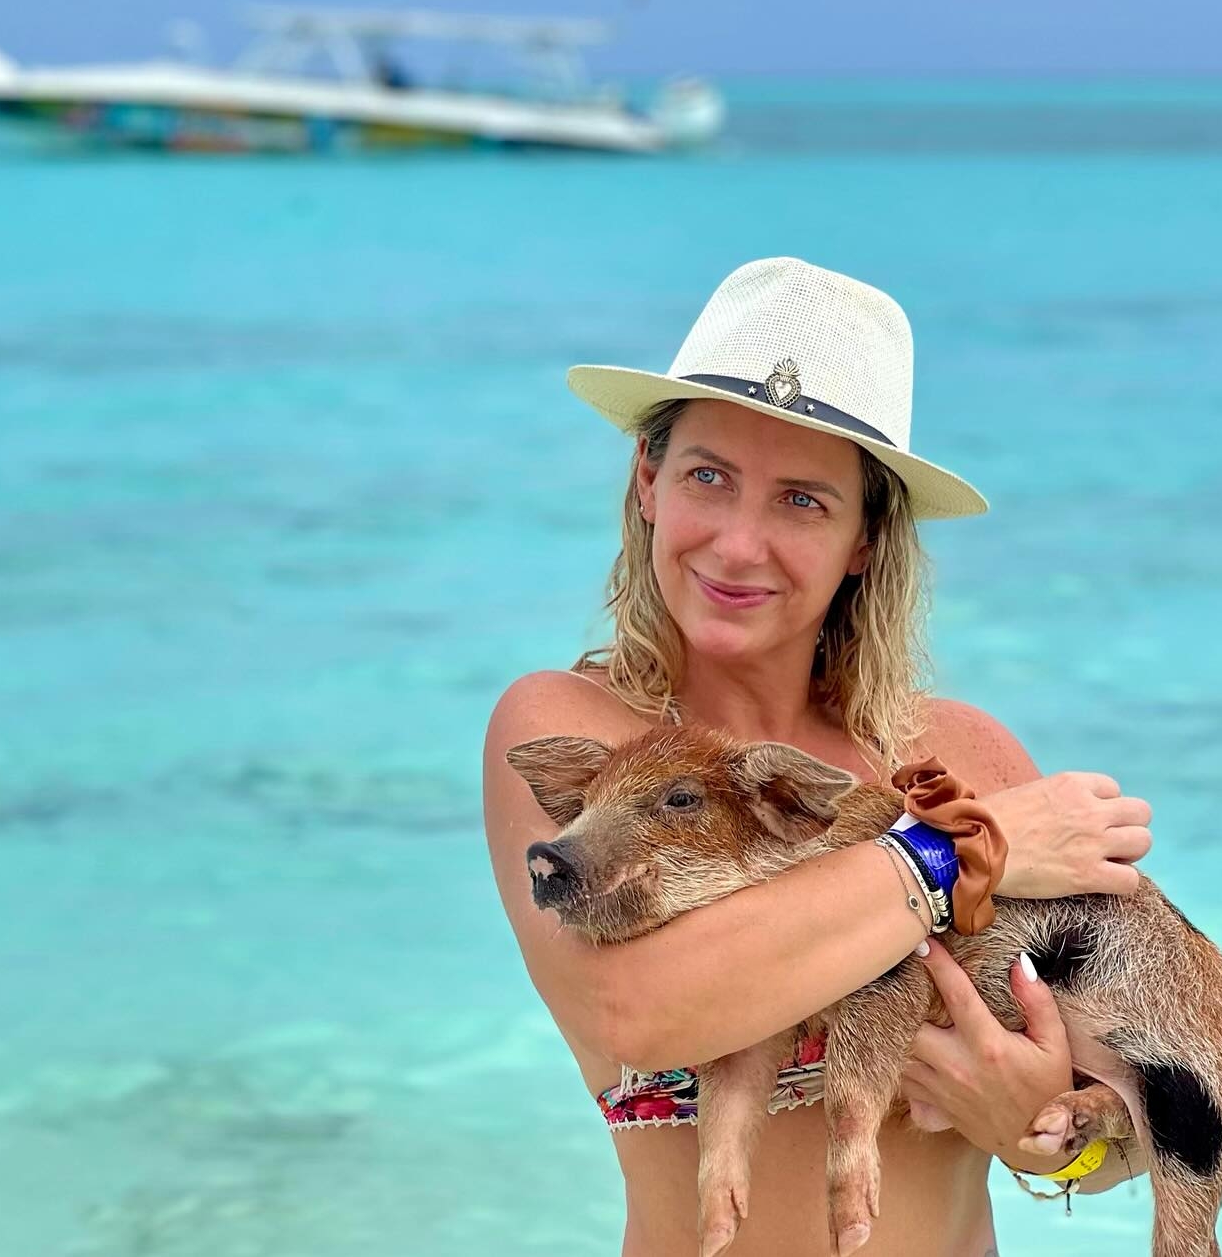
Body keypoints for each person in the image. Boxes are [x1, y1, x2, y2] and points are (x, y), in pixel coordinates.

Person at [482, 257, 1155, 1256]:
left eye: (801, 501)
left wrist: (1050, 1135)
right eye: (708, 476)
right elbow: (635, 1008)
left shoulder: (959, 753)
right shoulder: (578, 743)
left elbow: (1139, 1107)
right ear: (648, 483)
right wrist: (950, 853)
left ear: (865, 540)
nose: (738, 544)